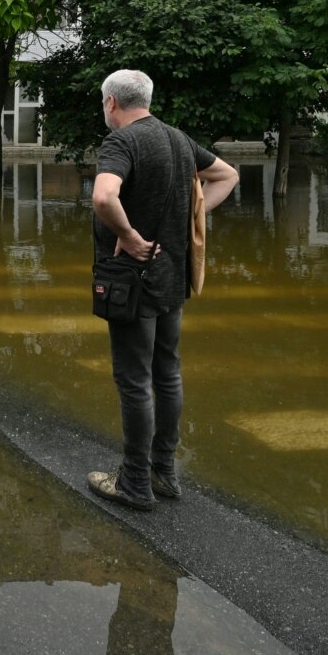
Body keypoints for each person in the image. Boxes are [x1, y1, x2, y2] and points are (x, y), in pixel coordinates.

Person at [87, 69, 239, 511]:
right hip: (172, 275)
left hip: (131, 279)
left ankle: (134, 481)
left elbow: (103, 197)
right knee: (167, 373)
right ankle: (163, 472)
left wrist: (130, 237)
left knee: (134, 380)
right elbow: (227, 176)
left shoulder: (122, 142)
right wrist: (191, 218)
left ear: (112, 102)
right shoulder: (178, 140)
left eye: (103, 104)